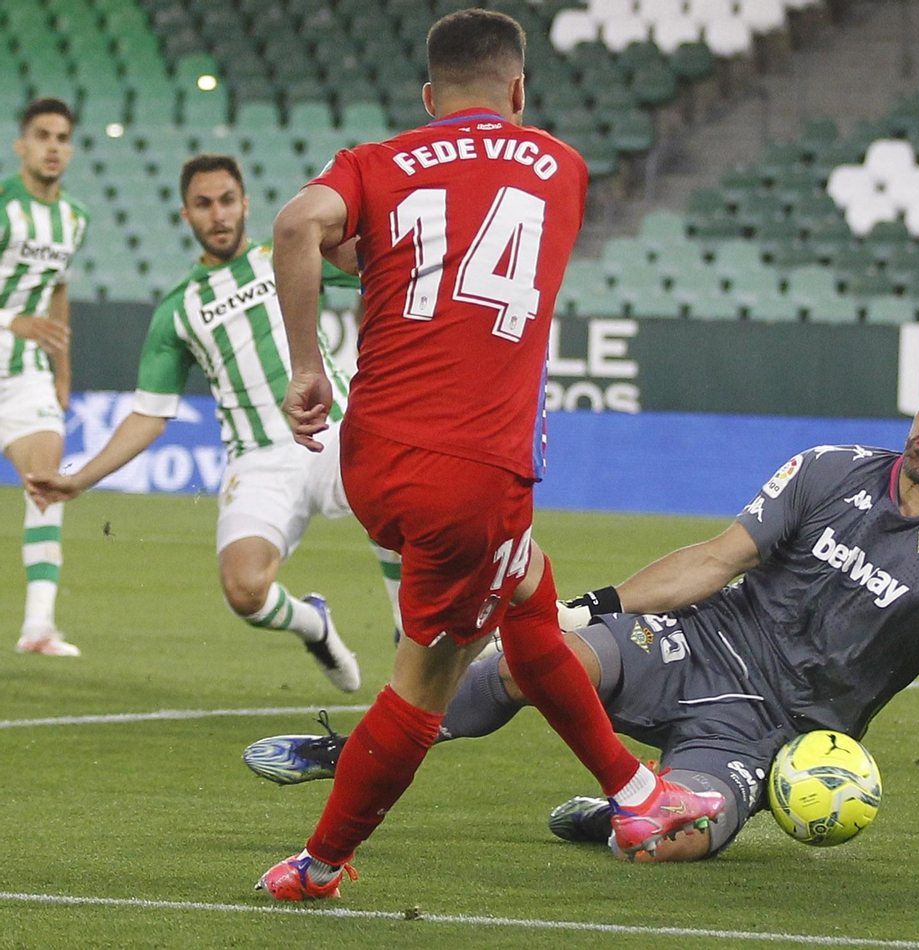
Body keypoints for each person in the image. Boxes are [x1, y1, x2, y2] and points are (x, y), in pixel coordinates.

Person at [246, 352, 919, 863]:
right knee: (523, 664)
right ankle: (349, 751)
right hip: (692, 642)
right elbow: (716, 561)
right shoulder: (830, 468)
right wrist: (591, 607)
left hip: (768, 733)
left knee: (667, 848)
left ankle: (627, 812)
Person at [257, 8, 722, 900]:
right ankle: (318, 866)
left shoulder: (376, 162)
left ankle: (634, 791)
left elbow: (298, 230)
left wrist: (308, 366)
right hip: (470, 468)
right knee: (426, 684)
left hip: (374, 458)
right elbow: (489, 241)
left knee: (530, 592)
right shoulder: (564, 167)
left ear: (429, 97)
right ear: (518, 89)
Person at [26, 154, 402, 691]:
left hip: (334, 429)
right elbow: (149, 415)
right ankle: (314, 624)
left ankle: (404, 627)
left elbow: (385, 267)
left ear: (245, 203)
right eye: (204, 204)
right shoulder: (177, 309)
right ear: (186, 215)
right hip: (257, 458)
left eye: (227, 200)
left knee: (395, 504)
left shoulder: (287, 253)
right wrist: (78, 479)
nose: (218, 214)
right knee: (245, 590)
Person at [3, 98, 88, 657]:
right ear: (21, 146)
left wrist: (63, 370)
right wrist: (12, 319)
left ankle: (38, 625)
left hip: (25, 371)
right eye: (43, 136)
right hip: (11, 332)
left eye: (62, 137)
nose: (53, 146)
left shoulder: (74, 219)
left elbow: (58, 289)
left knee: (45, 481)